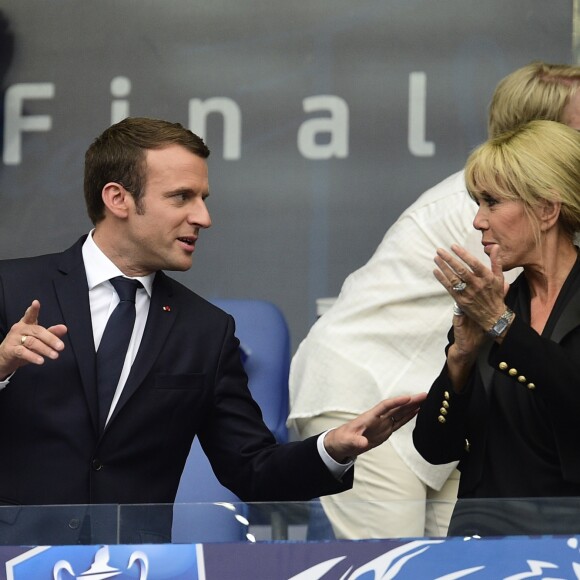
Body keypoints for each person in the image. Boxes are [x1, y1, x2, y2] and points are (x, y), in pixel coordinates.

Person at [0, 117, 426, 545]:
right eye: (182, 197)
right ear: (118, 198)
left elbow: (252, 468)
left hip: (134, 568)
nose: (203, 217)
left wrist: (333, 448)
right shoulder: (10, 289)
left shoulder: (205, 331)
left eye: (202, 198)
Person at [288, 61, 580, 540]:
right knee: (394, 560)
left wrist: (487, 334)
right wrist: (465, 352)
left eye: (491, 205)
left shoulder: (516, 246)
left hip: (451, 421)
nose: (481, 221)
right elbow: (505, 327)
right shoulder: (487, 211)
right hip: (367, 390)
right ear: (543, 131)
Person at [413, 119, 580, 536]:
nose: (477, 222)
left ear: (546, 209)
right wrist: (460, 360)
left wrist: (502, 325)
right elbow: (435, 448)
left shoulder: (496, 313)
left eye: (491, 202)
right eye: (476, 203)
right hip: (482, 545)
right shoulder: (495, 303)